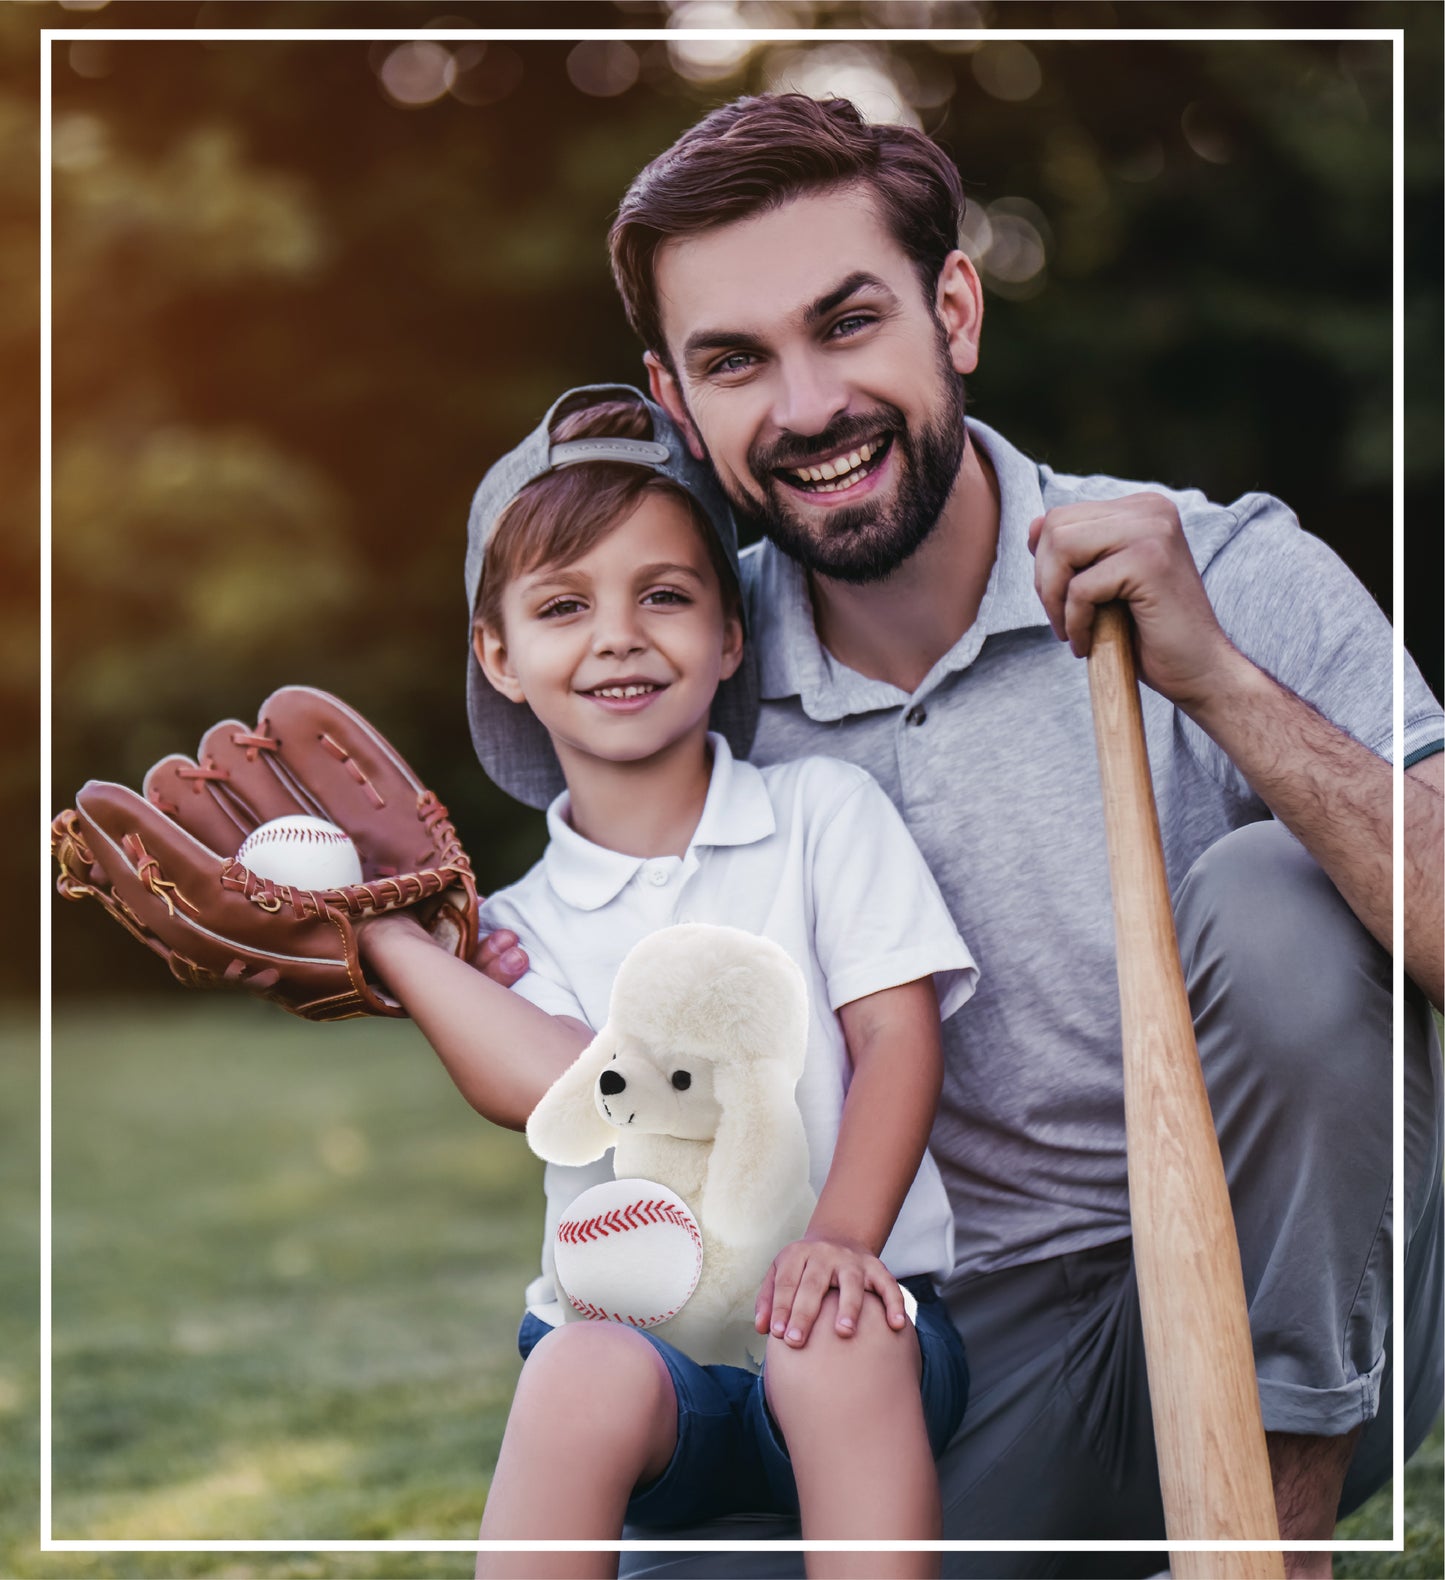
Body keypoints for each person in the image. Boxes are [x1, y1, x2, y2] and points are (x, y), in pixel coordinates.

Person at [477, 94, 1443, 1579]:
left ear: (954, 307)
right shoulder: (684, 662)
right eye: (737, 362)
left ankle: (1264, 1554)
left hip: (1284, 1299)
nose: (804, 408)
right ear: (676, 402)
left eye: (846, 323)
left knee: (1276, 899)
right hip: (924, 1347)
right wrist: (379, 942)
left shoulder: (1224, 566)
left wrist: (1219, 682)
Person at [361, 384, 978, 1580]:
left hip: (862, 1327)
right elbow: (557, 1082)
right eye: (559, 605)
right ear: (498, 653)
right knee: (577, 1367)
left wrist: (842, 1238)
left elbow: (899, 1040)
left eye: (664, 594)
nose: (617, 635)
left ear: (730, 632)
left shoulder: (818, 816)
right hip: (650, 1368)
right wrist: (393, 940)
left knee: (834, 1334)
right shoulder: (515, 927)